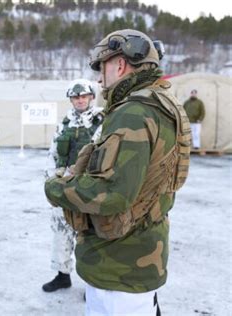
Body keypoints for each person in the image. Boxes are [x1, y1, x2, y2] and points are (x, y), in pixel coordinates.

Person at [44, 29, 191, 316]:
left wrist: (55, 188)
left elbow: (111, 194)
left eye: (102, 67)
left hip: (120, 265)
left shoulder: (134, 112)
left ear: (120, 64)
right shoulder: (161, 103)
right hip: (139, 253)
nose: (99, 78)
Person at [42, 79, 103, 293]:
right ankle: (62, 275)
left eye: (84, 96)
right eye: (75, 97)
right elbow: (54, 152)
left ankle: (91, 282)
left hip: (89, 186)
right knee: (61, 229)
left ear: (91, 97)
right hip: (65, 184)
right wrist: (51, 182)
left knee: (90, 234)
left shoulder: (101, 121)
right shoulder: (66, 122)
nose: (79, 100)